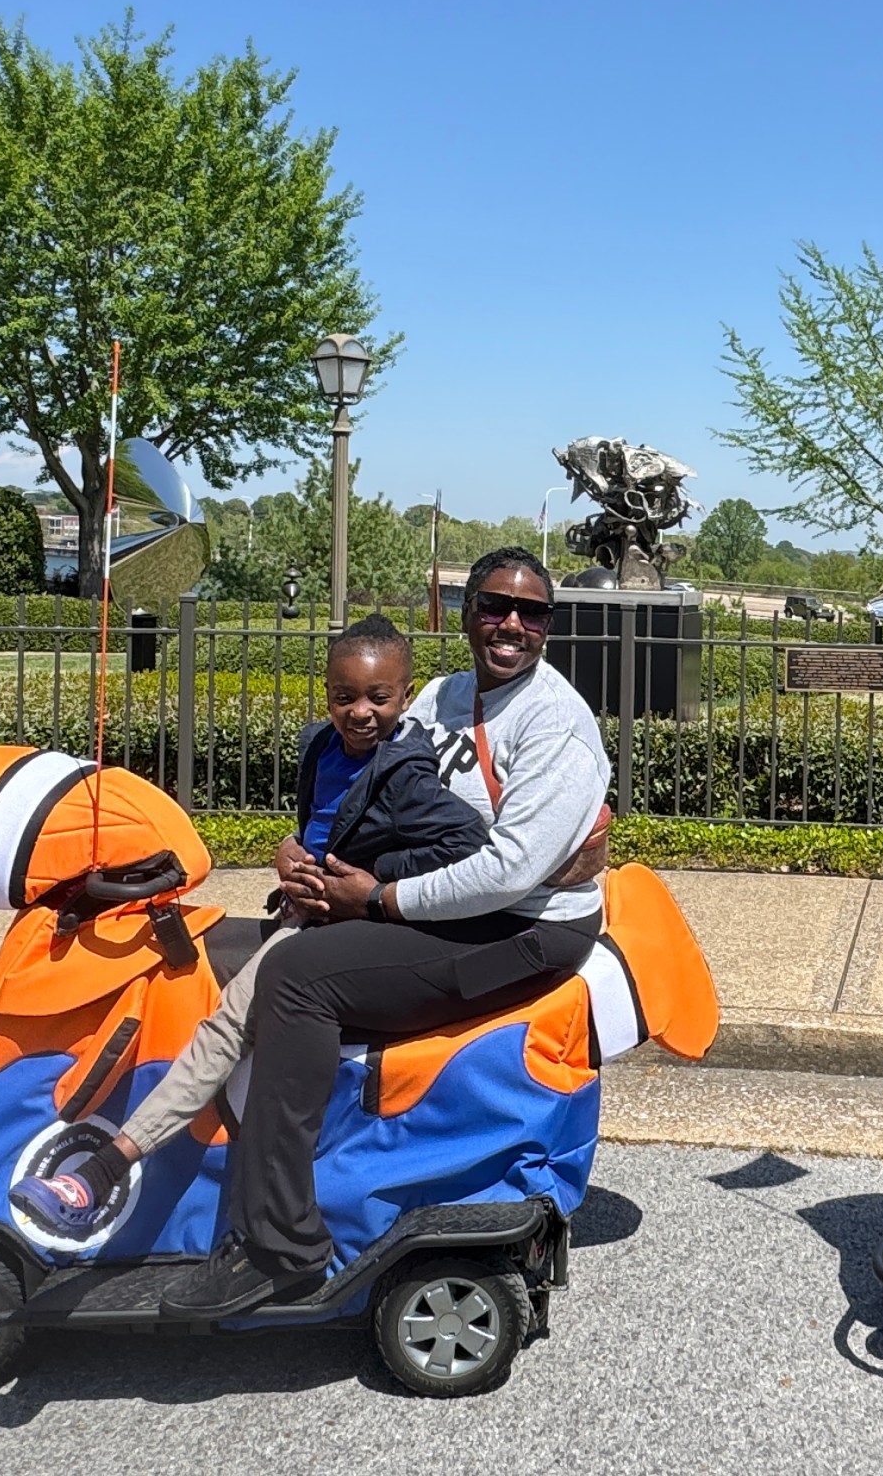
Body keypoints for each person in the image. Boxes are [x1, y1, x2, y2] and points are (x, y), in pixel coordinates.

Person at [161, 546, 613, 1320]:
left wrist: (376, 899)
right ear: (464, 611)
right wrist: (300, 853)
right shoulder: (440, 695)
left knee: (297, 980)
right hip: (436, 906)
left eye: (531, 611)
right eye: (494, 605)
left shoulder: (556, 725)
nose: (511, 623)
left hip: (524, 928)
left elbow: (507, 872)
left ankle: (280, 1248)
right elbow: (365, 792)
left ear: (549, 626)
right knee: (225, 957)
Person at [7, 614, 490, 1240]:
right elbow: (319, 823)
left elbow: (468, 843)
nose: (361, 713)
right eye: (345, 697)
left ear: (405, 694)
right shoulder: (320, 746)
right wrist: (292, 851)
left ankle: (102, 1170)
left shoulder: (405, 778)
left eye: (379, 698)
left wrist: (366, 881)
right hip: (299, 908)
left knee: (229, 1022)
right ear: (326, 693)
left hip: (330, 928)